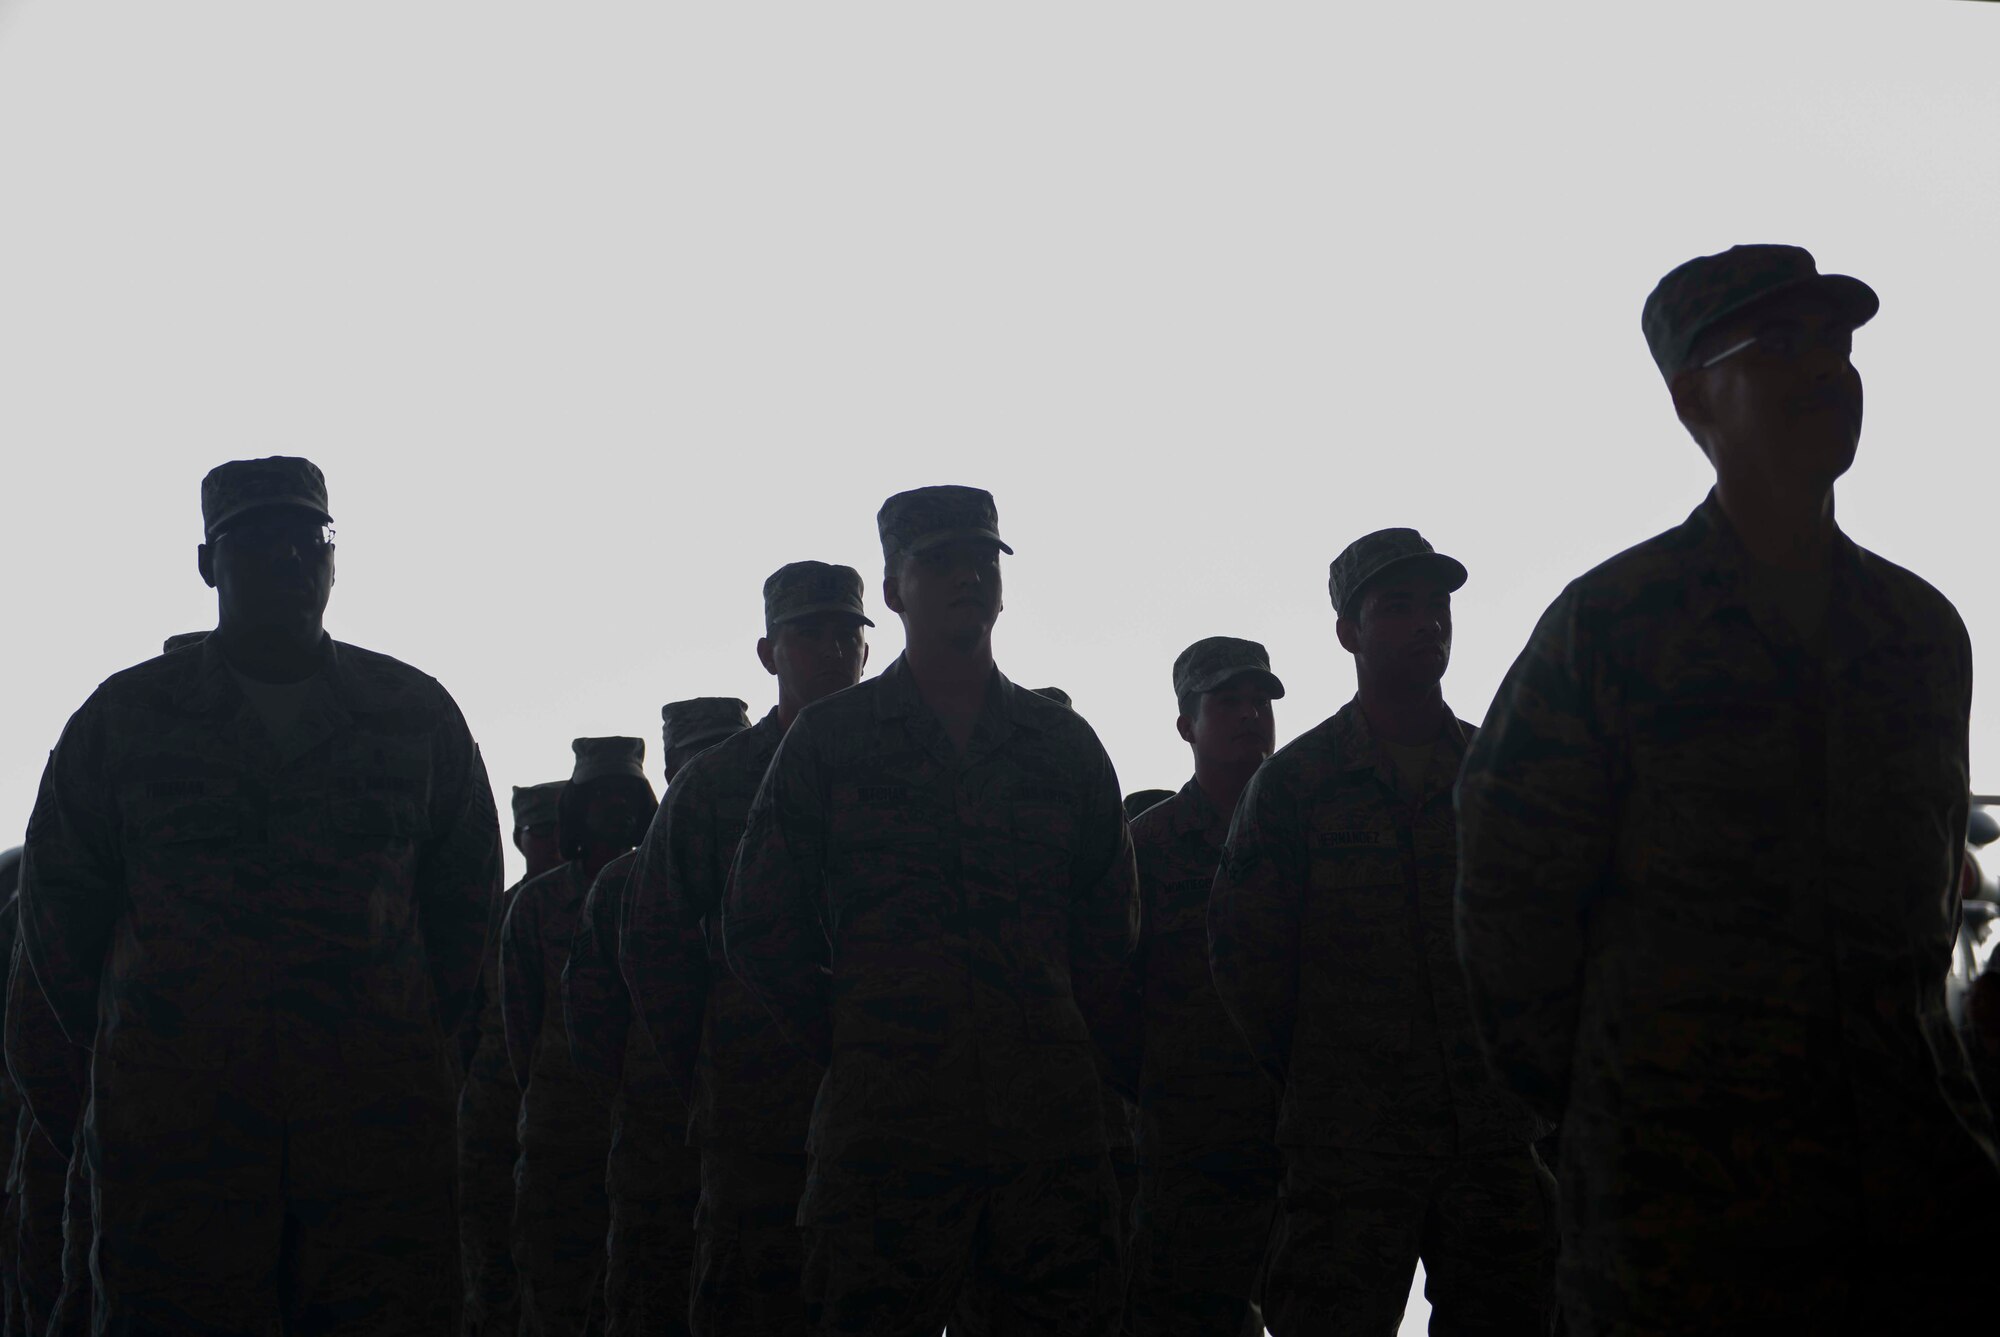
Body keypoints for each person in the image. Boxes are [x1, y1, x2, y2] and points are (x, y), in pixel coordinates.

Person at [1456, 243, 2000, 1334]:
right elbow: (1508, 916)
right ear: (1690, 396)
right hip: (1682, 1225)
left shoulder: (1917, 634)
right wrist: (1614, 1113)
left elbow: (1926, 910)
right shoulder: (1607, 630)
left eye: (1839, 347)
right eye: (1779, 346)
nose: (1827, 373)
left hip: (1906, 1206)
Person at [17, 455, 501, 1333]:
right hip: (179, 1152)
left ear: (334, 557)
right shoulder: (124, 721)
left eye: (308, 537)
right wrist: (150, 1061)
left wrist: (394, 1039)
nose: (287, 558)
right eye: (256, 538)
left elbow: (465, 914)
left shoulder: (412, 713)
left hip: (373, 1150)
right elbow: (57, 935)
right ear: (208, 562)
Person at [723, 486, 1137, 1336]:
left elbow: (1110, 926)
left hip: (1045, 1147)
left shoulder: (1063, 746)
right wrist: (858, 1034)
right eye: (940, 561)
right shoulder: (831, 742)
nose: (967, 578)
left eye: (982, 561)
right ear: (893, 588)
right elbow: (760, 923)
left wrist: (1049, 1035)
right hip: (887, 1147)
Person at [1211, 530, 1554, 1336]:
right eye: (1396, 605)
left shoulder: (1497, 775)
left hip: (1493, 1142)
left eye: (1437, 605)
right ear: (1347, 631)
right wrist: (1330, 1074)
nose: (1426, 622)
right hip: (1348, 1154)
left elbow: (1547, 944)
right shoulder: (1294, 787)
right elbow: (1246, 963)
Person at [624, 563, 872, 1337]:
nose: (832, 652)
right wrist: (712, 1071)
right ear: (769, 654)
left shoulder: (904, 772)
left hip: (894, 1112)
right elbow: (653, 942)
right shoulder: (718, 785)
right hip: (757, 1124)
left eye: (846, 634)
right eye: (809, 634)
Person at [563, 700, 747, 1337]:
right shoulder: (621, 886)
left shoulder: (789, 865)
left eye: (728, 755)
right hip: (655, 1161)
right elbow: (589, 1028)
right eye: (697, 761)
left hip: (764, 1157)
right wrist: (651, 1098)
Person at [1120, 638, 1286, 1337]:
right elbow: (1108, 991)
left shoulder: (1310, 828)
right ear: (1186, 723)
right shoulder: (1146, 848)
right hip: (1193, 1148)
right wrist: (1160, 1085)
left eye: (1261, 701)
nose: (1251, 716)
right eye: (1228, 702)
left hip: (1313, 1135)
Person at [502, 738, 657, 1336]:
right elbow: (521, 1023)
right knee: (554, 1295)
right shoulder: (537, 905)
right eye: (602, 796)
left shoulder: (663, 887)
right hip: (561, 1137)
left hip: (649, 1131)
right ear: (578, 808)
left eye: (627, 795)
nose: (616, 810)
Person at [460, 779, 567, 1336]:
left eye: (558, 829)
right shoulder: (492, 918)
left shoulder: (602, 902)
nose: (551, 843)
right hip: (493, 1110)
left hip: (567, 1113)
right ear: (520, 839)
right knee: (489, 1260)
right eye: (539, 832)